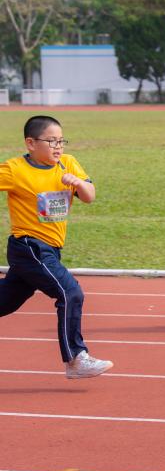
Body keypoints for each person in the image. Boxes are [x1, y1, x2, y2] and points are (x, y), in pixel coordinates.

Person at [0, 115, 113, 378]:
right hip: (29, 246)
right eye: (51, 141)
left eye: (61, 141)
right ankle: (75, 359)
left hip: (50, 249)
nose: (58, 147)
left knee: (7, 301)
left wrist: (79, 183)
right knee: (70, 292)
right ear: (31, 143)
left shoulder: (68, 163)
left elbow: (90, 196)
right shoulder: (15, 170)